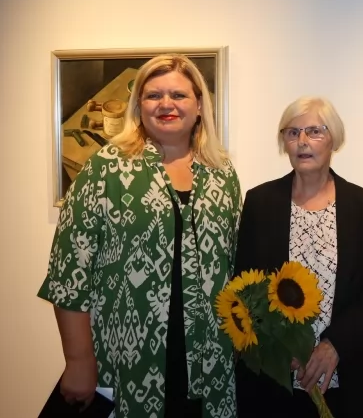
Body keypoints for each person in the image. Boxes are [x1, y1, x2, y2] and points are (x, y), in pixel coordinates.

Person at [37, 54, 242, 417]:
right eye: (153, 95)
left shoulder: (222, 173)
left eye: (178, 95)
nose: (166, 104)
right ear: (139, 106)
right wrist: (78, 360)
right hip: (127, 358)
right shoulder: (105, 168)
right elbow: (69, 273)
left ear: (199, 105)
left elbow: (235, 264)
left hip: (209, 360)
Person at [233, 96, 363, 418]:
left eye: (314, 131)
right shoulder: (260, 202)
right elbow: (244, 288)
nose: (302, 141)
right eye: (292, 132)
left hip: (346, 377)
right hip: (276, 381)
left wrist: (333, 345)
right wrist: (283, 346)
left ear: (333, 139)